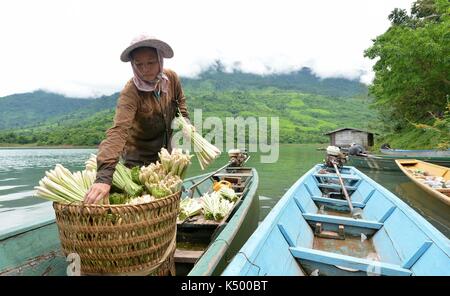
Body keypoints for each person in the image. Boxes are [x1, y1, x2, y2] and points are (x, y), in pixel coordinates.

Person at [84, 35, 190, 204]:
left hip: (167, 157)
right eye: (138, 64)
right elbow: (118, 131)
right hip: (138, 162)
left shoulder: (171, 79)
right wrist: (103, 178)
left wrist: (186, 122)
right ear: (133, 65)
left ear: (160, 60)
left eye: (150, 62)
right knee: (143, 205)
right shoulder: (131, 93)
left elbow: (180, 102)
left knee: (168, 204)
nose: (145, 70)